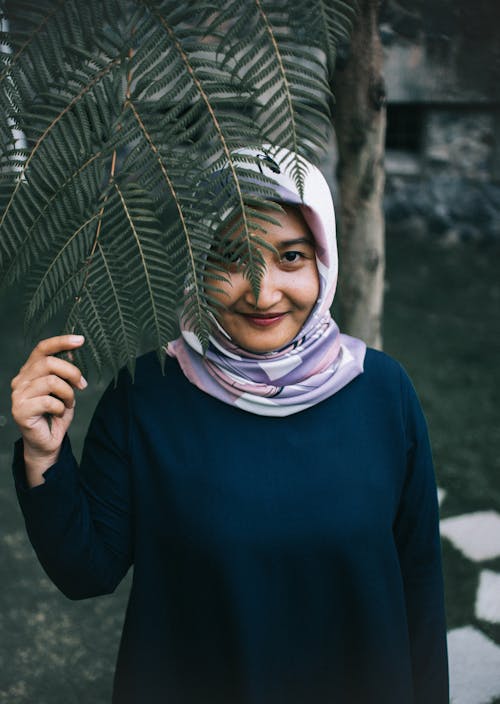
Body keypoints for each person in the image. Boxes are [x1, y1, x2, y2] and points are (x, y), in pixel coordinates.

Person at [11, 146, 449, 704]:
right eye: (230, 257)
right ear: (195, 263)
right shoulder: (146, 394)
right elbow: (86, 572)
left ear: (323, 260)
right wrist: (43, 459)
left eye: (290, 257)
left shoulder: (385, 392)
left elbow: (421, 588)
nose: (263, 293)